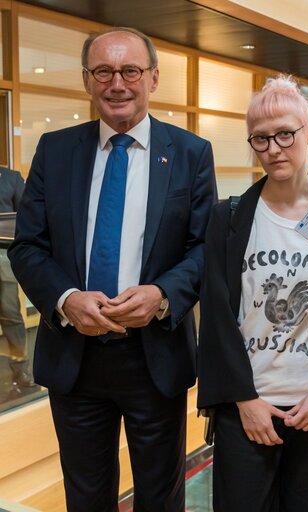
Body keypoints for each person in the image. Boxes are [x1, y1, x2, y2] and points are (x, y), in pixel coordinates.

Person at [8, 27, 217, 511]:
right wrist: (65, 299)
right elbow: (27, 247)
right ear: (87, 80)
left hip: (155, 356)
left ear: (153, 78)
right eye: (103, 71)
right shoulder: (55, 151)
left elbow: (204, 249)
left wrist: (162, 295)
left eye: (130, 71)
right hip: (74, 359)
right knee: (85, 496)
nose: (117, 83)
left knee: (161, 498)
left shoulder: (190, 154)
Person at [197, 75, 308, 512]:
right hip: (248, 407)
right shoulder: (228, 219)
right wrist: (245, 401)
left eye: (285, 134)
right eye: (260, 139)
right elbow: (216, 316)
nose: (273, 148)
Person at [0, 167, 34, 390]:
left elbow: (26, 216)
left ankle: (20, 369)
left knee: (10, 312)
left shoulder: (11, 178)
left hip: (2, 255)